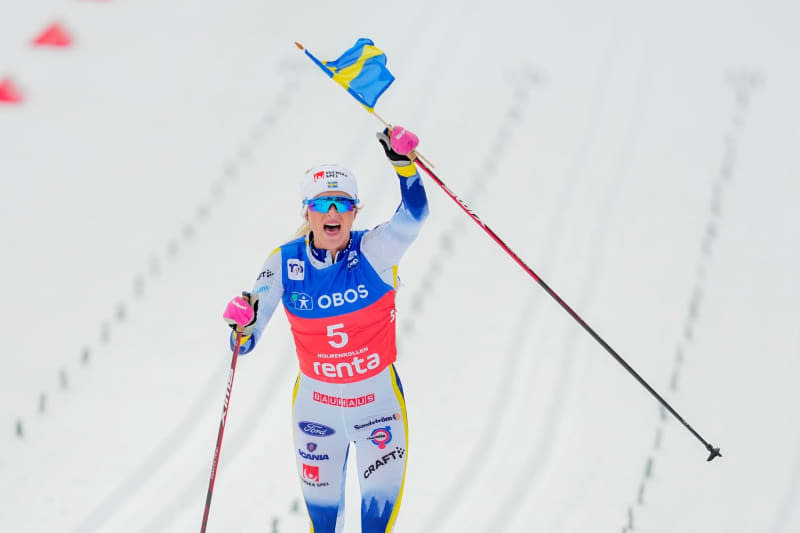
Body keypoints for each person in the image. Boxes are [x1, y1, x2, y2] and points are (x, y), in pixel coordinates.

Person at [222, 127, 428, 533]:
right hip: (318, 411)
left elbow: (414, 215)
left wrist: (405, 168)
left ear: (354, 212)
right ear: (307, 212)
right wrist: (241, 324)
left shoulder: (374, 251)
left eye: (342, 204)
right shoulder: (284, 262)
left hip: (378, 408)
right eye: (322, 205)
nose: (332, 213)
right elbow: (245, 338)